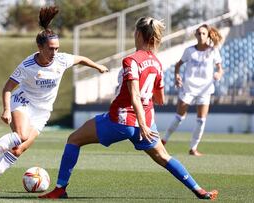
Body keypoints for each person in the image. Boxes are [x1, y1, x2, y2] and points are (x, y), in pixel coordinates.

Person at [39, 17, 218, 200]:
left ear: (138, 34)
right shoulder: (157, 63)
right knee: (165, 158)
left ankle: (60, 189)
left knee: (74, 139)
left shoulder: (131, 60)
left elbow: (134, 96)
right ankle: (199, 190)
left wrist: (140, 120)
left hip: (122, 120)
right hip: (146, 123)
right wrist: (144, 123)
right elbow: (160, 99)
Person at [0, 6, 108, 192]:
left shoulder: (61, 60)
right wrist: (5, 109)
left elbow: (81, 59)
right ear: (40, 47)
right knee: (22, 135)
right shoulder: (27, 65)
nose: (54, 52)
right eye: (51, 49)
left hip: (43, 111)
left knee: (19, 149)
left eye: (57, 48)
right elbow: (8, 87)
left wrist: (97, 66)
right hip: (23, 103)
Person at [161, 24, 224, 156]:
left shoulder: (213, 51)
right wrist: (177, 76)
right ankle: (163, 141)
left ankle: (193, 148)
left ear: (208, 36)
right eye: (199, 33)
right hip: (188, 88)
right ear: (195, 35)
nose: (201, 36)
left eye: (203, 34)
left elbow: (220, 68)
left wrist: (218, 73)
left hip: (204, 90)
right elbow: (178, 65)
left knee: (201, 120)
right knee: (179, 117)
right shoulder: (189, 51)